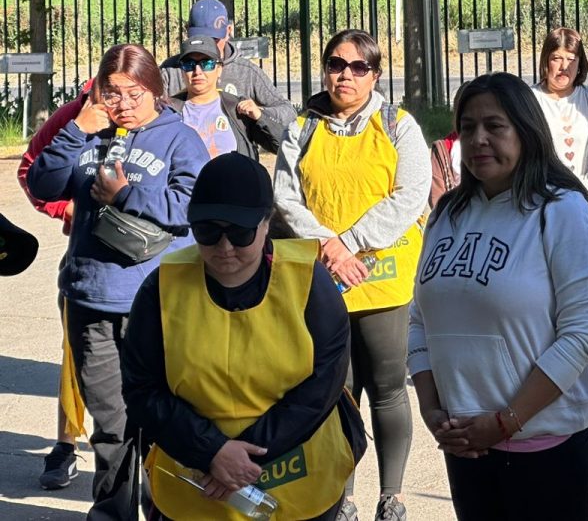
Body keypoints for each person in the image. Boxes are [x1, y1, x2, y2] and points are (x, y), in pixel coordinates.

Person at [122, 153, 365, 521]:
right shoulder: (161, 287)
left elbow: (323, 385)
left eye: (240, 232)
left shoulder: (309, 282)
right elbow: (142, 387)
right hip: (195, 485)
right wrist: (211, 453)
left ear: (266, 223)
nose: (224, 247)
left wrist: (239, 459)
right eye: (208, 231)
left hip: (299, 481)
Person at [409, 73, 588, 521]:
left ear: (526, 130)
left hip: (547, 448)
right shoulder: (446, 214)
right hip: (465, 443)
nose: (478, 139)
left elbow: (582, 334)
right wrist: (432, 408)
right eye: (467, 127)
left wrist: (506, 422)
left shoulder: (561, 209)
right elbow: (420, 320)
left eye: (494, 126)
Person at [27, 44, 209, 520]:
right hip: (91, 296)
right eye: (112, 93)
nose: (123, 103)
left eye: (134, 92)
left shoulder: (179, 139)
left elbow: (191, 208)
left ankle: (166, 510)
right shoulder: (88, 130)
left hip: (156, 301)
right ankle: (112, 513)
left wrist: (126, 194)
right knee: (110, 425)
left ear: (155, 89)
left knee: (160, 419)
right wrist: (77, 130)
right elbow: (42, 184)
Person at [274, 29, 431, 521]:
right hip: (323, 280)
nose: (346, 74)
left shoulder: (399, 125)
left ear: (375, 75)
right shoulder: (302, 127)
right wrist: (329, 245)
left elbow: (410, 194)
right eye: (336, 64)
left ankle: (392, 495)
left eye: (358, 67)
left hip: (384, 281)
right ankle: (341, 497)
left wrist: (351, 241)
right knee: (337, 394)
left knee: (387, 388)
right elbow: (286, 196)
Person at [17, 79, 94, 491]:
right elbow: (30, 167)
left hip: (153, 263)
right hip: (87, 260)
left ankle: (153, 451)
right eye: (108, 91)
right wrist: (66, 208)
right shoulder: (78, 112)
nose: (119, 101)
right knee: (76, 352)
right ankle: (66, 445)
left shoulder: (165, 116)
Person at [160, 0, 297, 133]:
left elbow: (288, 112)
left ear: (228, 31)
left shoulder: (246, 72)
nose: (207, 45)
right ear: (187, 32)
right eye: (200, 38)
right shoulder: (170, 70)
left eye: (214, 39)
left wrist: (259, 113)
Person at [531, 27, 588, 220]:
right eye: (556, 58)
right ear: (545, 61)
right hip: (539, 206)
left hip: (585, 204)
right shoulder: (528, 100)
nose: (564, 66)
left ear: (580, 63)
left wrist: (582, 186)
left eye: (571, 59)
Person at [167, 35, 284, 159]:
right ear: (182, 71)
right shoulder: (168, 111)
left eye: (206, 64)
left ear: (219, 69)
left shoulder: (237, 109)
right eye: (189, 64)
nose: (197, 71)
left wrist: (260, 118)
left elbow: (282, 147)